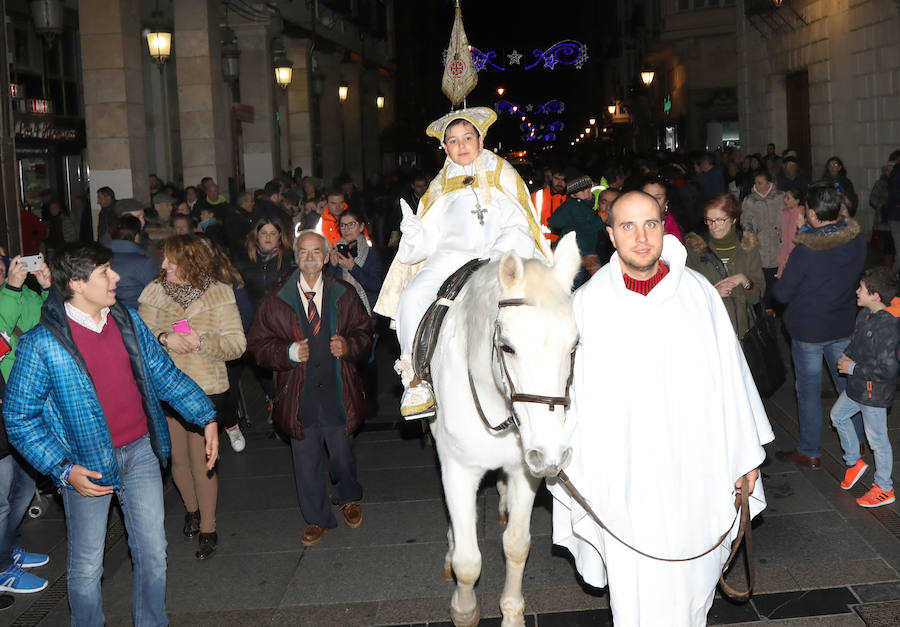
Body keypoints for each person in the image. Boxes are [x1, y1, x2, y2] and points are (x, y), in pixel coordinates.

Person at [550, 191, 773, 626]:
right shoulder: (587, 305)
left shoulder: (697, 295)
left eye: (650, 223)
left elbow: (731, 379)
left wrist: (745, 457)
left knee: (694, 585)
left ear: (663, 225)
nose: (641, 236)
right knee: (636, 588)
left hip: (698, 472)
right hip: (624, 479)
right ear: (611, 235)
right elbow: (571, 399)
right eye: (628, 226)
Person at [3, 242, 218, 625]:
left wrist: (206, 416)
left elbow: (163, 375)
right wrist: (63, 469)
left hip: (140, 452)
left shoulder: (128, 321)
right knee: (87, 566)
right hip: (85, 466)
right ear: (78, 284)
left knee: (153, 552)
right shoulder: (42, 344)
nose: (116, 276)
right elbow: (20, 418)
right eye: (104, 271)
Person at [374, 107, 550, 418]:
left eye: (468, 138)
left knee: (538, 303)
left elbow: (520, 224)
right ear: (444, 148)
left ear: (480, 140)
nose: (462, 145)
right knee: (413, 296)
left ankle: (548, 373)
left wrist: (500, 254)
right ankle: (417, 379)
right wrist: (414, 233)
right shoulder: (441, 186)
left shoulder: (503, 174)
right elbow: (427, 242)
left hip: (498, 256)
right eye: (453, 141)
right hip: (449, 258)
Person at [247, 231, 373, 547]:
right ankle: (316, 517)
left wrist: (349, 345)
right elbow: (258, 345)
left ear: (327, 254)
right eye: (304, 251)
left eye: (317, 251)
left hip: (337, 391)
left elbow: (364, 334)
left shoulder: (344, 294)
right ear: (296, 256)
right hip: (297, 395)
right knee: (305, 463)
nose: (310, 257)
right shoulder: (276, 299)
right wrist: (286, 353)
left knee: (342, 454)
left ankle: (348, 496)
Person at [138, 235, 246, 558]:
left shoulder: (219, 294)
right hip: (166, 388)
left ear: (190, 261)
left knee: (203, 463)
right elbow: (140, 342)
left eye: (171, 260)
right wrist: (163, 337)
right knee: (177, 460)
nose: (164, 265)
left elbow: (238, 345)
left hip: (205, 390)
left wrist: (202, 342)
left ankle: (209, 528)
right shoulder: (154, 294)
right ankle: (192, 509)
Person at [773, 185, 867, 467]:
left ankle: (810, 449)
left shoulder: (807, 250)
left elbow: (783, 293)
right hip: (842, 323)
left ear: (812, 213)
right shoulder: (856, 240)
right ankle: (860, 438)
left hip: (809, 330)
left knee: (809, 392)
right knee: (848, 387)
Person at [0, 256, 52, 594]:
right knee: (2, 498)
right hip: (3, 409)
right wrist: (11, 288)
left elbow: (58, 319)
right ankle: (2, 569)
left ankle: (6, 548)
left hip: (28, 404)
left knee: (22, 486)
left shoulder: (23, 294)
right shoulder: (10, 293)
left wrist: (47, 286)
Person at [831, 267, 899, 508]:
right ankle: (854, 462)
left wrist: (853, 369)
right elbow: (855, 343)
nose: (856, 292)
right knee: (837, 416)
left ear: (876, 295)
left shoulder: (889, 327)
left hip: (874, 393)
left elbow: (888, 370)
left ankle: (884, 488)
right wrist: (846, 357)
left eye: (861, 288)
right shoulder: (865, 315)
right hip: (857, 387)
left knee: (877, 441)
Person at [685, 193, 765, 337]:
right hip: (711, 330)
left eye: (720, 220)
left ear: (734, 219)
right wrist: (713, 294)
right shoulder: (695, 250)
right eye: (709, 220)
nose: (713, 226)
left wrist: (744, 280)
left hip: (744, 330)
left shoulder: (748, 247)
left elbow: (757, 296)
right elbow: (687, 295)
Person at [547, 173, 606, 287]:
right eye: (583, 191)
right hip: (581, 249)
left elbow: (555, 222)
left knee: (577, 278)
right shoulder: (575, 207)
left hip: (579, 247)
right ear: (573, 195)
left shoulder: (580, 205)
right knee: (579, 279)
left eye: (589, 189)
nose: (588, 193)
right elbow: (586, 228)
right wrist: (600, 220)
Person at [740, 169, 784, 307]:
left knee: (778, 274)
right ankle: (764, 305)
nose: (757, 186)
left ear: (768, 183)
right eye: (756, 183)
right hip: (760, 243)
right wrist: (750, 232)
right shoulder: (749, 200)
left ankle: (776, 305)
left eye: (760, 183)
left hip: (778, 242)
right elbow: (744, 219)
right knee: (762, 274)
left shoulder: (780, 197)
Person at [328, 208, 383, 315]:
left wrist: (353, 268)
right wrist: (333, 266)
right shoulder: (338, 251)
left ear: (361, 227)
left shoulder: (371, 253)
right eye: (343, 225)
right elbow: (331, 287)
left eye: (351, 224)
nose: (346, 229)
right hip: (342, 312)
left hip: (365, 313)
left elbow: (377, 286)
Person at [108, 215, 159, 311]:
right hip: (136, 315)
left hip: (108, 315)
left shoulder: (101, 260)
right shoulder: (144, 263)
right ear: (136, 236)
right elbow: (154, 296)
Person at [531, 165, 567, 244]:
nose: (560, 183)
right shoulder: (537, 196)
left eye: (563, 180)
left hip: (563, 245)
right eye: (556, 179)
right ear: (551, 178)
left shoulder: (570, 199)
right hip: (541, 245)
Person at [641, 176, 683, 241]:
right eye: (647, 196)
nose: (652, 201)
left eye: (658, 198)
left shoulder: (673, 231)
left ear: (666, 202)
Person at [776, 187, 806, 278]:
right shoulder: (784, 213)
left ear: (797, 201)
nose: (785, 200)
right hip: (784, 250)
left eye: (788, 198)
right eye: (785, 197)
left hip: (795, 252)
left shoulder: (801, 213)